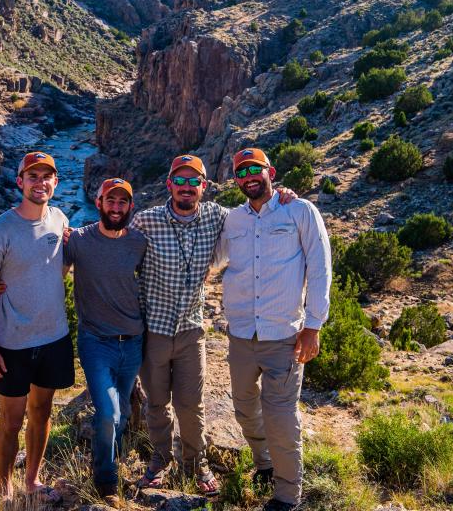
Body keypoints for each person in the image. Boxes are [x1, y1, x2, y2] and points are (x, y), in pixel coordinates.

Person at [133, 154, 297, 496]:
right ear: (169, 185)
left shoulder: (219, 217)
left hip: (192, 330)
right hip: (155, 331)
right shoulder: (145, 222)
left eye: (194, 182)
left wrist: (284, 196)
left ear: (204, 188)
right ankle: (160, 460)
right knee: (157, 403)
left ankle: (196, 465)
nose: (187, 188)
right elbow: (114, 247)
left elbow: (255, 213)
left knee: (192, 405)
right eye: (180, 181)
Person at [218, 147, 332, 511]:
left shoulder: (299, 210)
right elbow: (213, 256)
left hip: (284, 335)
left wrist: (313, 325)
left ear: (271, 171)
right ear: (235, 179)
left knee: (281, 415)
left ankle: (287, 494)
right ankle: (264, 462)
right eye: (241, 172)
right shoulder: (232, 220)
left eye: (255, 169)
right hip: (240, 334)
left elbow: (319, 268)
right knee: (243, 407)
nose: (249, 176)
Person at [0, 151, 73, 505]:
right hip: (11, 342)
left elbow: (57, 267)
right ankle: (4, 487)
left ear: (55, 182)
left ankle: (31, 480)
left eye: (47, 176)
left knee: (42, 412)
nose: (40, 182)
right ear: (20, 182)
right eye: (32, 176)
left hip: (53, 337)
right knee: (11, 420)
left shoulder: (60, 219)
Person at [63, 177, 147, 508]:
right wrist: (2, 282)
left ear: (130, 207)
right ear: (98, 203)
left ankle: (110, 456)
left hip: (133, 342)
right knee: (109, 411)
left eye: (122, 201)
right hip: (96, 341)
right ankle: (106, 481)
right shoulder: (79, 240)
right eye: (109, 201)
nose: (115, 207)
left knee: (122, 411)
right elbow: (49, 268)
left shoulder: (139, 242)